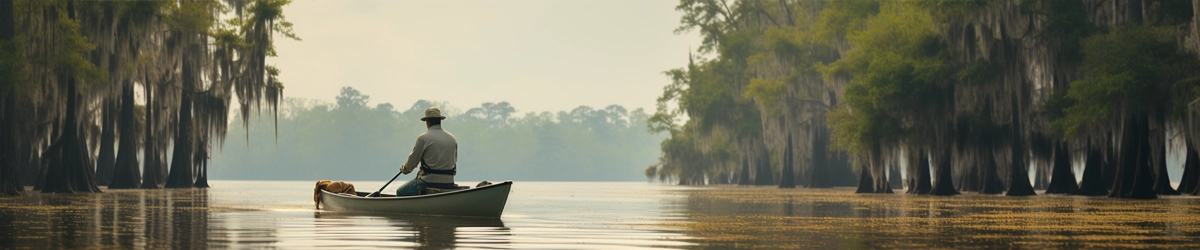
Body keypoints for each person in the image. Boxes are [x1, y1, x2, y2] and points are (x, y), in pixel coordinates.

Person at [393, 107, 460, 196]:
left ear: (427, 121)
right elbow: (454, 160)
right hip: (449, 181)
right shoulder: (452, 138)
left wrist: (404, 169)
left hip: (427, 181)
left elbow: (411, 163)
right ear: (440, 120)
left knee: (400, 191)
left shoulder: (423, 138)